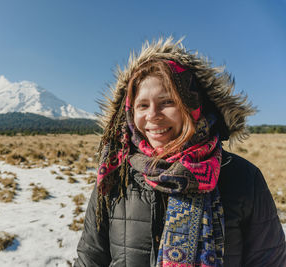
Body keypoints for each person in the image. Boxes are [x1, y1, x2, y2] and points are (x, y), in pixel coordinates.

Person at [74, 37, 286, 266]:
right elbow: (90, 258)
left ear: (192, 105)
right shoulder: (116, 174)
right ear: (129, 113)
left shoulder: (243, 178)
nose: (153, 115)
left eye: (167, 102)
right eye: (142, 105)